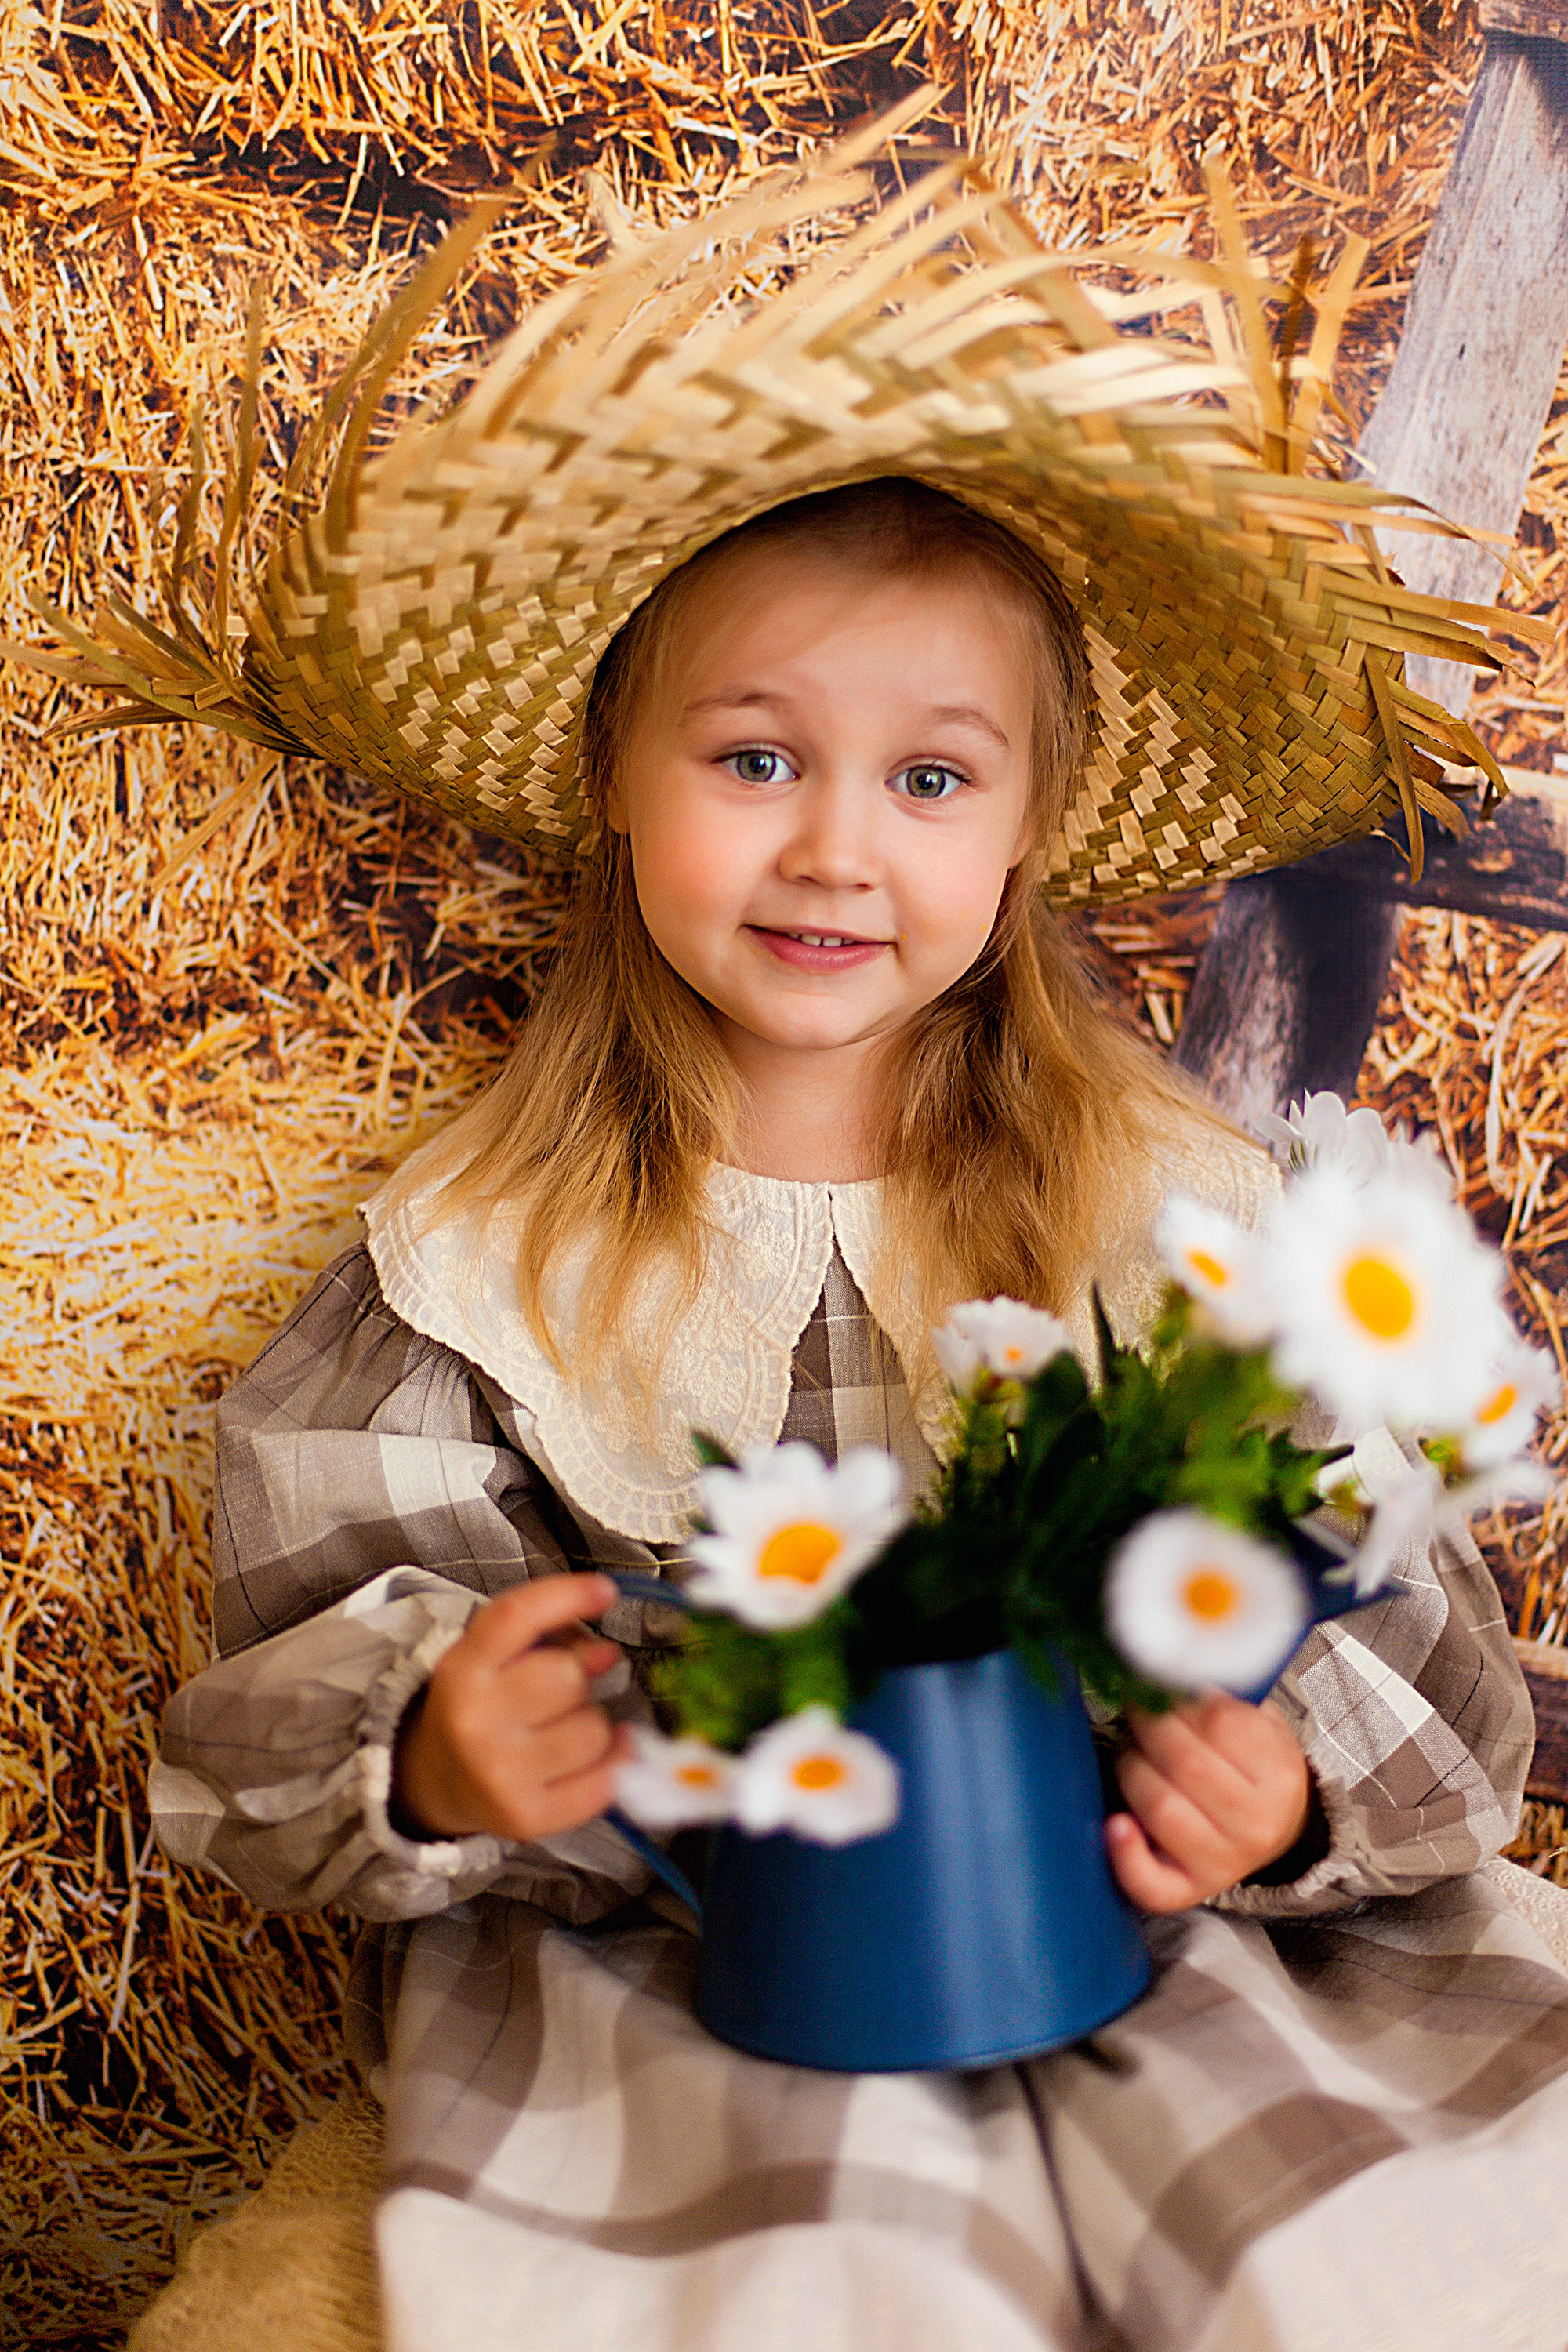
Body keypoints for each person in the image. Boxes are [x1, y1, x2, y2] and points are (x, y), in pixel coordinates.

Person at [33, 125, 1568, 2352]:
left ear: (1029, 834)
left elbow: (1431, 1664)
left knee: (1344, 2273)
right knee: (804, 2290)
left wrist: (1287, 1776)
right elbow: (283, 1689)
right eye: (755, 757)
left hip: (1178, 1949)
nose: (839, 849)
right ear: (616, 773)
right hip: (702, 1978)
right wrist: (443, 1751)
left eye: (931, 781)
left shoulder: (1181, 1225)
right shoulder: (493, 1254)